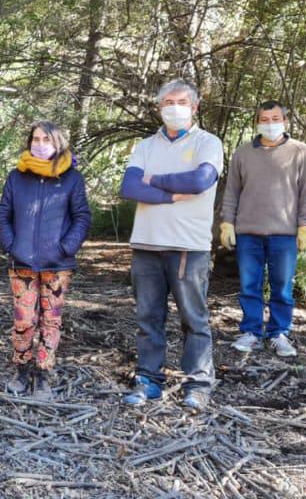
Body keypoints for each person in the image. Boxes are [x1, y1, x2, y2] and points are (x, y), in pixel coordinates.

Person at [119, 79, 224, 411]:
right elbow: (129, 187)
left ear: (194, 107)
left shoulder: (208, 143)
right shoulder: (145, 146)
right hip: (146, 244)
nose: (173, 108)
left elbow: (200, 180)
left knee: (194, 318)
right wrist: (172, 195)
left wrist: (154, 181)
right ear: (159, 107)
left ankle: (198, 384)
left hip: (188, 247)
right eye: (167, 102)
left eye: (180, 102)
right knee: (148, 317)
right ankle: (148, 379)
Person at [0, 121, 90, 399]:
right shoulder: (17, 176)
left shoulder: (72, 178)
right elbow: (3, 213)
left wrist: (66, 247)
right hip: (21, 262)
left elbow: (82, 217)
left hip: (57, 265)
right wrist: (11, 244)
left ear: (57, 143)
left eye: (46, 140)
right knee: (24, 319)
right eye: (35, 138)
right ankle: (22, 370)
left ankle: (44, 373)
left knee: (51, 320)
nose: (39, 144)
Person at [220, 100, 306, 358]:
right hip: (248, 232)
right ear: (257, 122)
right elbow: (232, 191)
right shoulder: (243, 152)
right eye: (264, 119)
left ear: (285, 121)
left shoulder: (300, 151)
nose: (270, 124)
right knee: (249, 285)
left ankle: (278, 333)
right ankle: (251, 331)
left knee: (282, 286)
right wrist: (227, 222)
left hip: (284, 233)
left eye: (275, 119)